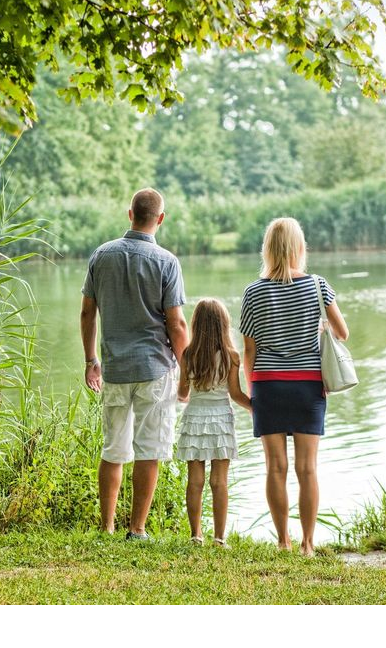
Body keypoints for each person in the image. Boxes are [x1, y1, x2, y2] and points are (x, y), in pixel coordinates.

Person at [80, 188, 188, 541]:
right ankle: (137, 529)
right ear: (160, 219)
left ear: (130, 214)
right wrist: (186, 369)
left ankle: (107, 526)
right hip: (155, 369)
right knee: (149, 450)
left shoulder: (101, 255)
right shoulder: (167, 262)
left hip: (114, 368)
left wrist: (91, 360)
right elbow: (177, 324)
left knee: (113, 450)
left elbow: (87, 313)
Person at [239, 217, 349, 556]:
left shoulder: (253, 292)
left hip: (268, 386)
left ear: (268, 249)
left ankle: (283, 541)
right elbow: (342, 333)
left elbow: (249, 351)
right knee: (307, 468)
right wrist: (317, 330)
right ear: (299, 247)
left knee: (275, 467)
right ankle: (308, 544)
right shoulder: (318, 285)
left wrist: (253, 391)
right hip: (308, 386)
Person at [176, 298, 252, 547]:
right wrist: (255, 407)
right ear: (223, 324)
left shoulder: (188, 354)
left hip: (194, 419)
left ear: (196, 324)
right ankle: (219, 538)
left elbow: (183, 393)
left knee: (195, 481)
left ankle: (196, 535)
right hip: (221, 419)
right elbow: (236, 394)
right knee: (219, 482)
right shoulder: (231, 356)